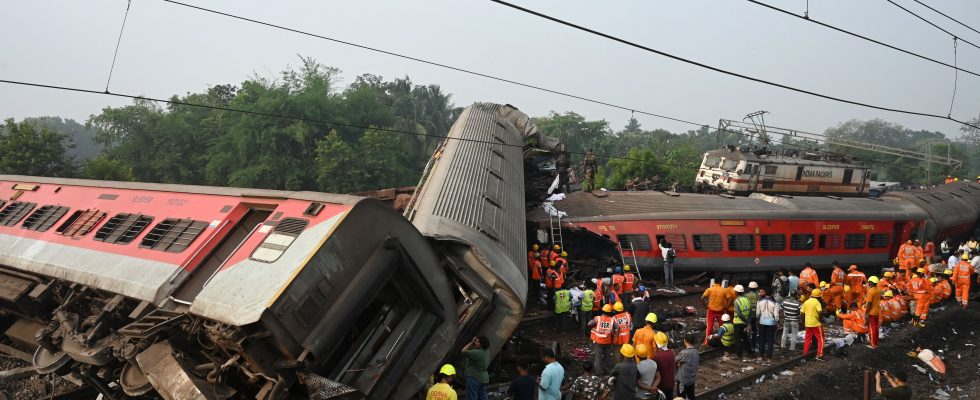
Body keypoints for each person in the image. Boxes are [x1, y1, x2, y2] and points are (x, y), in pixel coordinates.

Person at [589, 304, 616, 374]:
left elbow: (589, 324)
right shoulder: (611, 320)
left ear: (602, 311)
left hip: (598, 341)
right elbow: (616, 327)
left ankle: (598, 372)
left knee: (598, 358)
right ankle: (608, 371)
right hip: (607, 341)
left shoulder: (598, 318)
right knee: (607, 358)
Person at [461, 336, 491, 400]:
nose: (475, 343)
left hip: (474, 377)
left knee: (471, 397)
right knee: (483, 397)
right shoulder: (487, 352)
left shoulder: (477, 353)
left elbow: (463, 351)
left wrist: (471, 343)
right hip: (482, 378)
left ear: (482, 344)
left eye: (477, 342)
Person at [701, 280, 727, 344]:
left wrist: (705, 306)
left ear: (714, 282)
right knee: (722, 325)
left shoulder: (709, 289)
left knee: (710, 326)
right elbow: (729, 299)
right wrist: (725, 306)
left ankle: (707, 341)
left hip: (711, 310)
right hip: (720, 310)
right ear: (721, 283)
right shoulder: (724, 290)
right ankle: (723, 339)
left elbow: (702, 298)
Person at [802, 289, 825, 360]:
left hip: (808, 323)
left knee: (807, 339)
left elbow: (802, 313)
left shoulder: (806, 302)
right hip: (816, 323)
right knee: (820, 339)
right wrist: (820, 319)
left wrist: (804, 321)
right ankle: (820, 355)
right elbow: (820, 312)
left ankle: (805, 354)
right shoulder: (817, 302)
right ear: (818, 296)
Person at [651, 332, 676, 399]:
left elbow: (656, 375)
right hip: (671, 383)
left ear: (657, 343)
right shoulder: (671, 352)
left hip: (662, 386)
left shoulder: (656, 357)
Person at [675, 334, 700, 400]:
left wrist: (679, 363)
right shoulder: (696, 352)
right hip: (691, 380)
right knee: (691, 396)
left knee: (681, 397)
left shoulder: (684, 353)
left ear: (685, 341)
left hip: (683, 380)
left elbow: (675, 360)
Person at [756, 289, 778, 360]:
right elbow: (776, 316)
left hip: (762, 322)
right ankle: (769, 356)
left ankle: (760, 355)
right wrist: (776, 322)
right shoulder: (775, 303)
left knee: (761, 339)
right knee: (770, 340)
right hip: (771, 323)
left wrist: (758, 319)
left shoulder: (759, 302)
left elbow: (758, 314)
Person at [732, 285, 753, 359]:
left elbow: (739, 314)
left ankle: (738, 354)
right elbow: (750, 312)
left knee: (737, 339)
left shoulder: (736, 301)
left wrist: (746, 322)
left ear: (737, 292)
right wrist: (748, 322)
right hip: (745, 322)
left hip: (738, 323)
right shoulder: (747, 299)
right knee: (745, 337)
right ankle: (750, 352)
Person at [864, 276, 882, 349]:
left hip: (871, 312)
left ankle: (873, 344)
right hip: (877, 311)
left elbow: (869, 303)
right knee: (875, 328)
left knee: (872, 329)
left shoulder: (871, 291)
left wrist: (866, 313)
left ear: (870, 282)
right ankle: (875, 342)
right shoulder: (878, 289)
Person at [745, 282, 761, 352]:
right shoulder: (758, 296)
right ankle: (753, 346)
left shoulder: (745, 296)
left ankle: (748, 345)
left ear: (749, 288)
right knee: (754, 331)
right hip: (755, 315)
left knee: (747, 330)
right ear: (756, 288)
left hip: (748, 315)